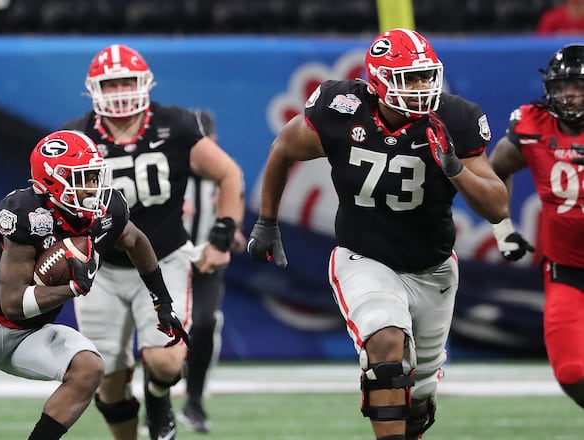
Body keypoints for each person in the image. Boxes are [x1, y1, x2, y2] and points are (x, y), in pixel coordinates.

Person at [247, 28, 509, 440]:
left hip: (433, 268)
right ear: (378, 80)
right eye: (409, 78)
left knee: (417, 396)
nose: (421, 88)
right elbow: (284, 148)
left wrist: (455, 168)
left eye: (426, 76)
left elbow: (497, 206)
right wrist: (267, 221)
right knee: (386, 345)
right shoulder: (342, 108)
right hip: (363, 257)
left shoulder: (454, 118)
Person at [0, 130, 189, 439]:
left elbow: (135, 240)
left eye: (95, 177)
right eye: (83, 178)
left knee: (89, 368)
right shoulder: (24, 213)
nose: (94, 187)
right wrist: (71, 288)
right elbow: (13, 304)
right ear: (54, 180)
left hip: (34, 332)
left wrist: (161, 301)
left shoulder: (105, 210)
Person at [60, 44, 244, 440]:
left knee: (166, 361)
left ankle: (158, 398)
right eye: (112, 83)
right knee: (104, 376)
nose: (121, 90)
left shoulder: (175, 125)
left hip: (163, 260)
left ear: (145, 84)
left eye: (128, 81)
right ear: (94, 90)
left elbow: (229, 174)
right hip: (101, 268)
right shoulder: (76, 137)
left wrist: (221, 237)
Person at [488, 44, 584, 409]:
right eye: (562, 86)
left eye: (578, 86)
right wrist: (502, 228)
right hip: (567, 271)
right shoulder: (533, 125)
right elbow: (495, 171)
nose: (569, 95)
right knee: (572, 372)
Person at [177, 109, 245, 434]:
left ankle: (194, 400)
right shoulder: (166, 170)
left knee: (203, 324)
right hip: (168, 261)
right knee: (159, 330)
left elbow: (235, 215)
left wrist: (233, 234)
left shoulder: (226, 172)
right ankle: (158, 401)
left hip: (206, 261)